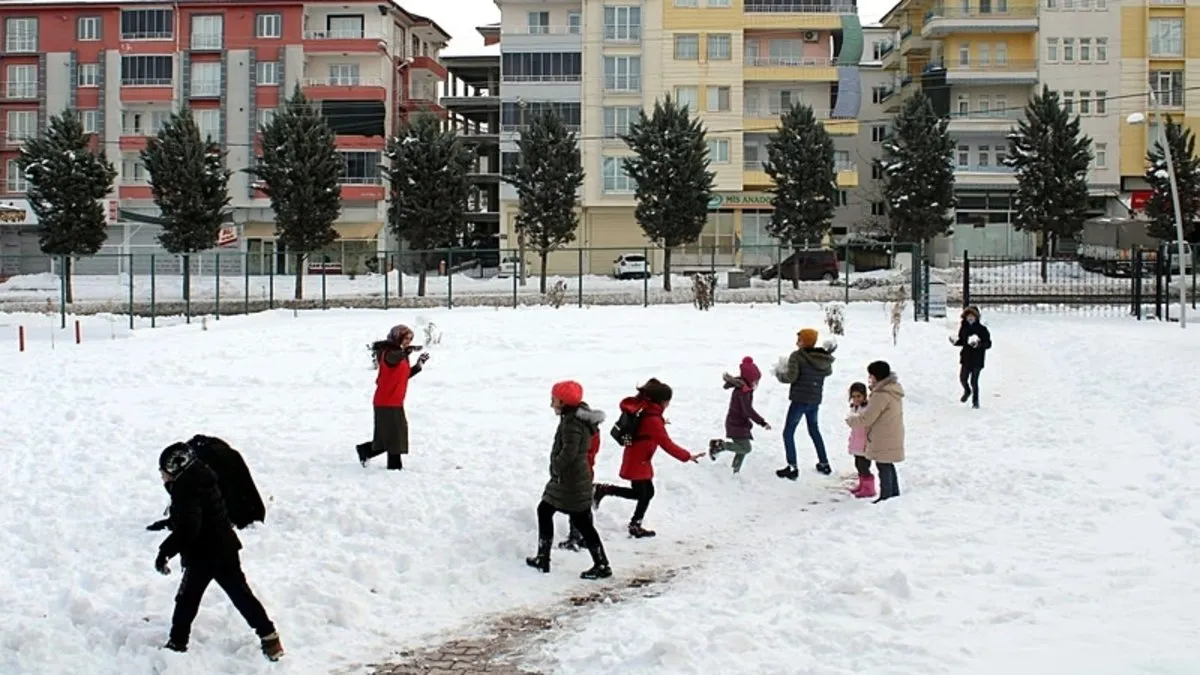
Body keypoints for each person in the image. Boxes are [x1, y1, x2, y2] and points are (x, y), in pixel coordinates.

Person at [154, 443, 284, 661]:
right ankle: (270, 638)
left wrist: (164, 551)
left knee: (186, 599)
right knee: (242, 595)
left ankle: (177, 644)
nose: (161, 477)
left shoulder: (186, 489)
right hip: (225, 547)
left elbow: (189, 528)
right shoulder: (202, 477)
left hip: (203, 554)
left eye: (163, 472)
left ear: (176, 469)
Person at [593, 379, 705, 538]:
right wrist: (687, 456)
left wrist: (660, 422)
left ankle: (609, 496)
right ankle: (625, 514)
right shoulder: (652, 418)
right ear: (662, 401)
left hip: (638, 457)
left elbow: (647, 429)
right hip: (638, 460)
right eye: (667, 401)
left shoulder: (648, 411)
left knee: (645, 492)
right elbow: (666, 443)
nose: (668, 404)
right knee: (645, 493)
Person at [526, 381, 613, 580]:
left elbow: (570, 451)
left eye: (554, 400)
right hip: (572, 478)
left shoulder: (572, 424)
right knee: (547, 510)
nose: (551, 404)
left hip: (571, 480)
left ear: (564, 402)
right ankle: (543, 558)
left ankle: (601, 565)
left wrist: (556, 466)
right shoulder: (574, 418)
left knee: (580, 521)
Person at [356, 324, 430, 470]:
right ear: (397, 337)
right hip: (386, 401)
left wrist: (418, 366)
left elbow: (402, 376)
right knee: (393, 435)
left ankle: (376, 456)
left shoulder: (400, 355)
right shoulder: (388, 353)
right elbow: (393, 359)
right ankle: (379, 458)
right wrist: (407, 351)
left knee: (394, 434)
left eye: (410, 339)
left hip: (395, 400)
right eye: (406, 338)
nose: (408, 341)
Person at [774, 328, 836, 480]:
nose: (797, 342)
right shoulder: (822, 358)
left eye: (799, 340)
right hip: (814, 400)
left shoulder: (797, 356)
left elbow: (790, 377)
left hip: (799, 400)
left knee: (788, 432)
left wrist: (778, 373)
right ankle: (824, 463)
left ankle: (792, 467)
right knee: (814, 430)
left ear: (805, 342)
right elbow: (828, 372)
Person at [845, 361, 905, 503]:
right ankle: (893, 493)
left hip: (883, 434)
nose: (870, 378)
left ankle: (886, 496)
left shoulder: (881, 395)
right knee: (888, 464)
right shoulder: (892, 389)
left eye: (871, 376)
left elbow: (868, 418)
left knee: (883, 464)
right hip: (892, 431)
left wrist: (851, 421)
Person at [708, 357, 771, 474]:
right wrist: (762, 422)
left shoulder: (744, 388)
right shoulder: (744, 392)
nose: (757, 384)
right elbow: (748, 410)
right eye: (755, 381)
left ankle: (735, 471)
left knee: (741, 448)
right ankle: (719, 445)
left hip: (739, 423)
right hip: (736, 424)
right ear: (749, 380)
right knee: (746, 448)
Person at [558, 412, 603, 552]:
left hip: (579, 472)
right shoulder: (593, 430)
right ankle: (583, 537)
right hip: (588, 471)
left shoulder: (580, 432)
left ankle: (575, 537)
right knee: (584, 506)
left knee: (575, 506)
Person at [951, 306, 991, 409]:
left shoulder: (982, 329)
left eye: (972, 316)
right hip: (966, 358)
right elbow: (962, 341)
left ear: (976, 317)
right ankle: (967, 391)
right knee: (963, 378)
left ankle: (975, 402)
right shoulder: (963, 328)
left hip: (977, 359)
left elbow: (988, 344)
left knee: (974, 381)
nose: (970, 318)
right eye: (968, 316)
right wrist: (955, 342)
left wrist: (978, 344)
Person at [846, 382, 874, 498]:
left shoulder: (867, 409)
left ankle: (869, 488)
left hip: (865, 442)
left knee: (864, 465)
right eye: (854, 396)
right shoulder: (854, 408)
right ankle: (862, 484)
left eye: (859, 396)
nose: (856, 399)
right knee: (858, 463)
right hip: (857, 441)